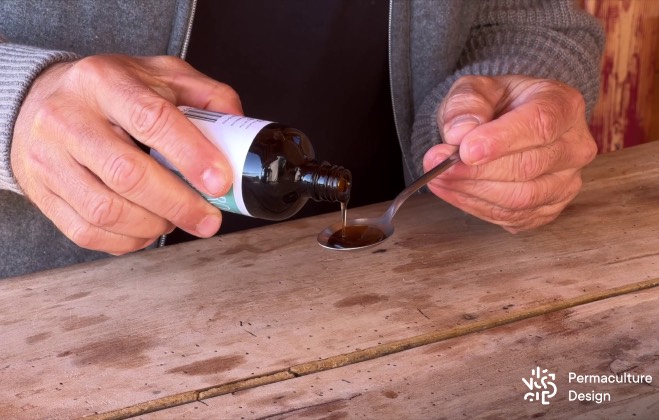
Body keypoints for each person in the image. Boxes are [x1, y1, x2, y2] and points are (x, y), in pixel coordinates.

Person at [0, 0, 604, 278]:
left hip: (399, 292)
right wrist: (18, 105)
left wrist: (493, 106)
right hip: (64, 332)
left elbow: (522, 17)